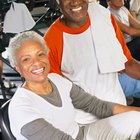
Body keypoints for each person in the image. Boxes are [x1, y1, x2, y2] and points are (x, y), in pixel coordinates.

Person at [8, 31, 140, 140]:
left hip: (82, 134)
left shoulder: (56, 80)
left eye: (40, 54)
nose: (36, 62)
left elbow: (96, 105)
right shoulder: (21, 107)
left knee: (136, 119)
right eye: (26, 59)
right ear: (18, 68)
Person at [44, 0, 140, 125]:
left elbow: (127, 63)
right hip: (87, 123)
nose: (74, 2)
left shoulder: (102, 15)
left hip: (120, 112)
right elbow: (56, 97)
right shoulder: (51, 41)